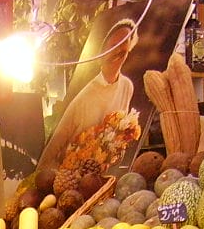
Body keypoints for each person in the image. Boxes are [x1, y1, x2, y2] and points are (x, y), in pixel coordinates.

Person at [39, 18, 139, 170]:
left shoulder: (127, 86)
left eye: (123, 49)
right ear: (102, 51)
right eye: (114, 46)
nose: (118, 52)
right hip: (72, 176)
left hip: (105, 174)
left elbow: (120, 133)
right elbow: (56, 144)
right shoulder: (85, 97)